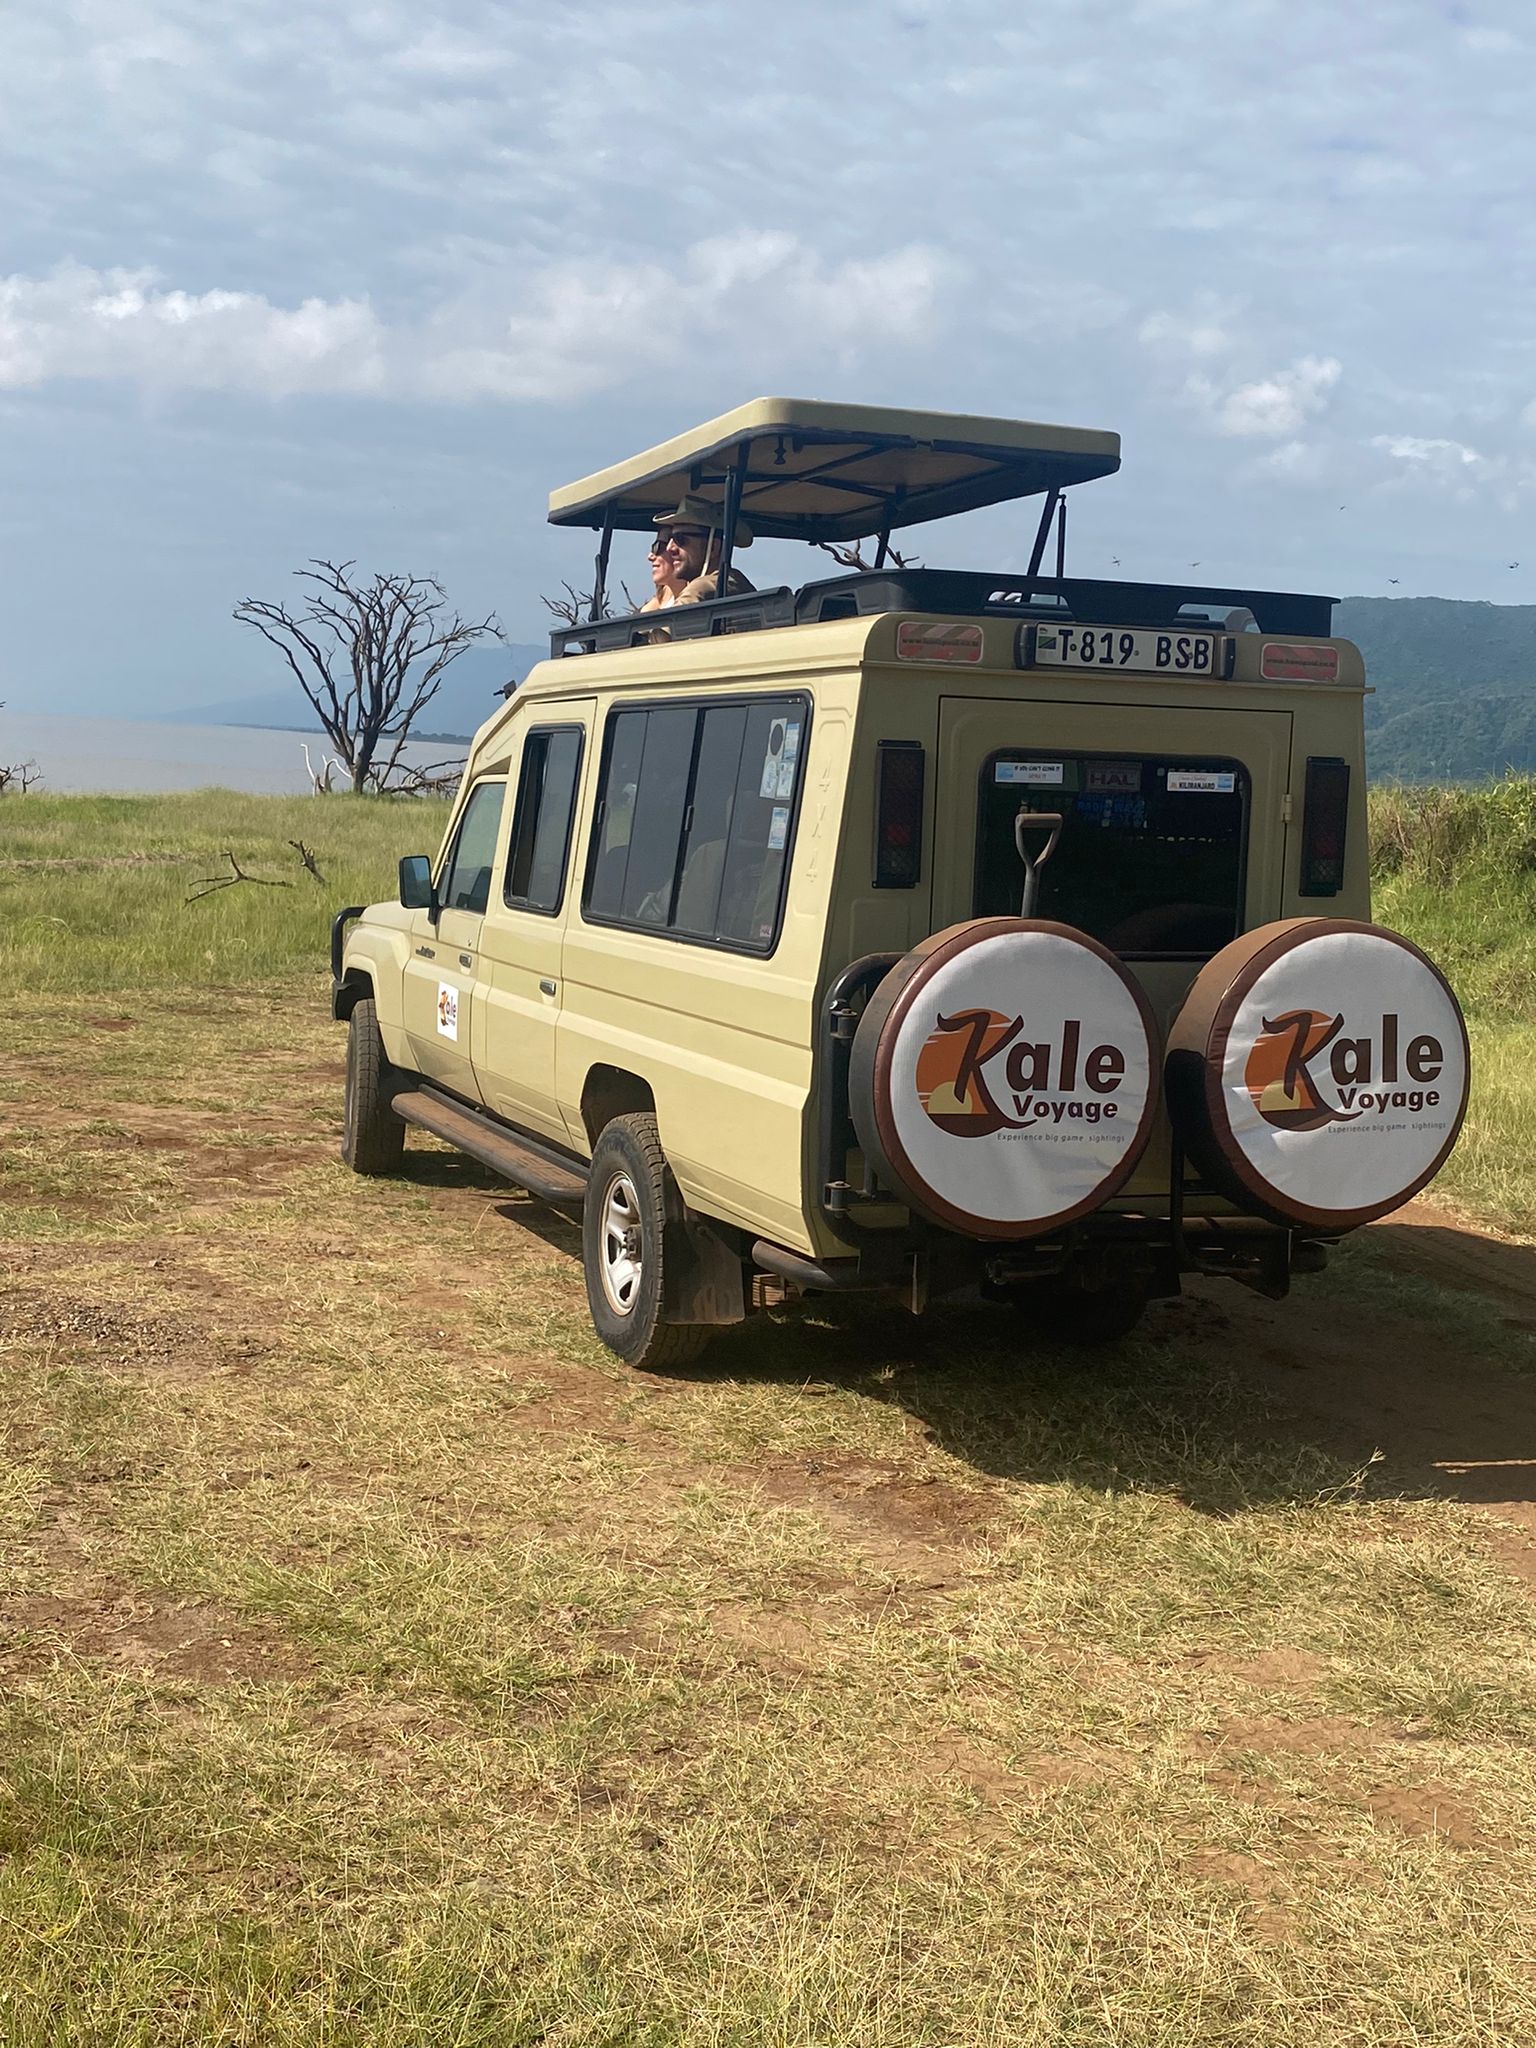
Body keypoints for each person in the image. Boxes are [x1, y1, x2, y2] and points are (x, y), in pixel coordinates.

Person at [647, 495, 755, 606]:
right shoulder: (733, 582)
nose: (670, 548)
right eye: (671, 539)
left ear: (713, 547)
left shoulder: (699, 590)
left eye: (680, 539)